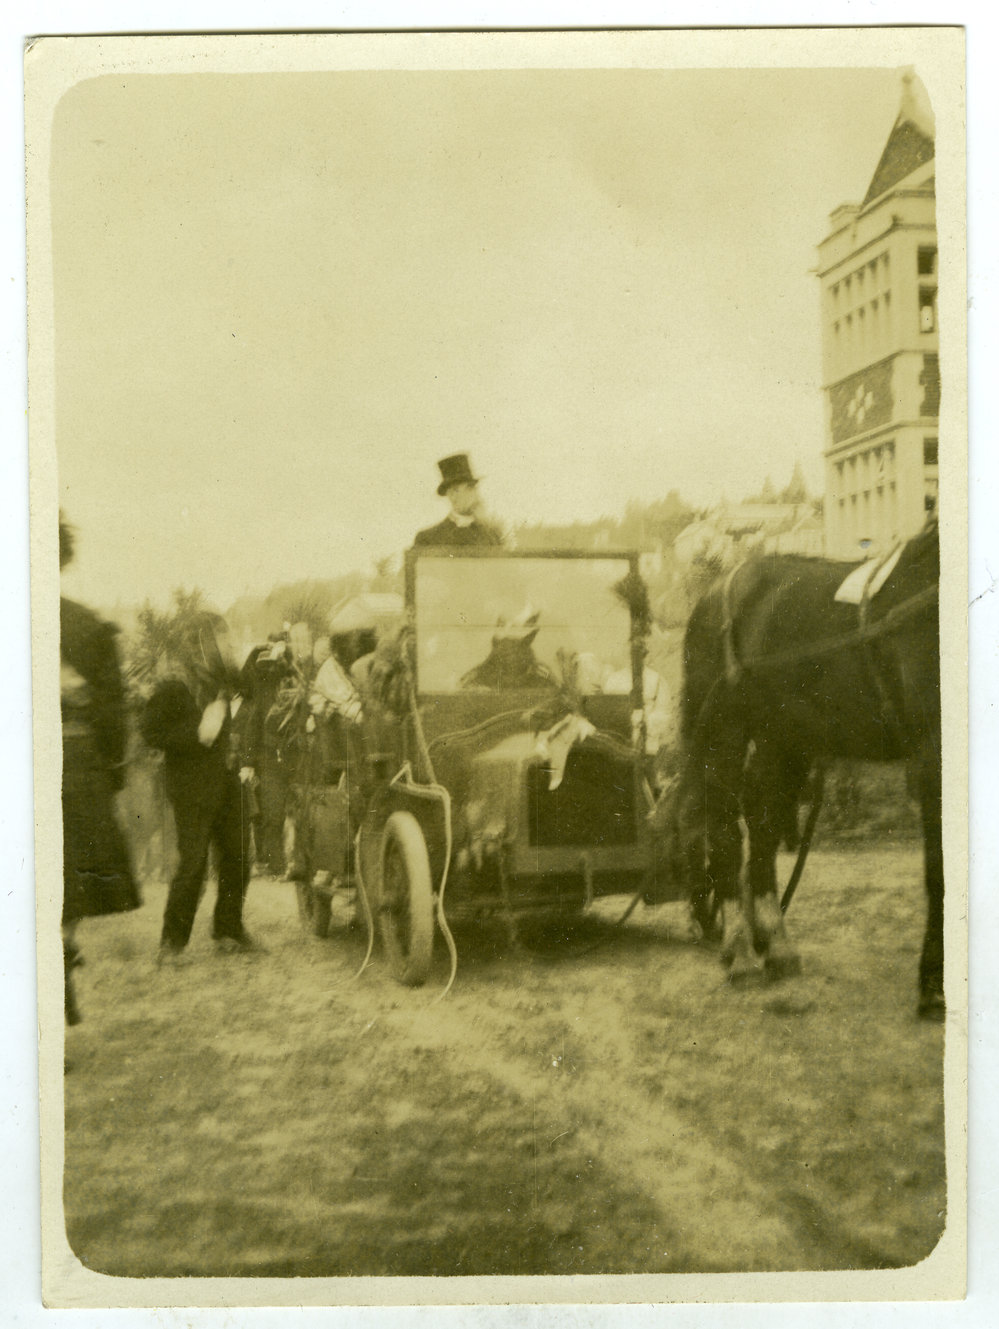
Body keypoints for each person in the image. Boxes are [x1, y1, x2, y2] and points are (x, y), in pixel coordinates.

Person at [140, 613, 260, 961]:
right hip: (191, 788)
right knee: (193, 865)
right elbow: (150, 731)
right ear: (205, 642)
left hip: (225, 781)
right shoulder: (174, 684)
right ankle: (172, 944)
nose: (230, 644)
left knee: (238, 857)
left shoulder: (221, 677)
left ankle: (228, 931)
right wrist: (197, 733)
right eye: (224, 639)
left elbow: (251, 686)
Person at [60, 516, 142, 1026]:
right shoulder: (87, 626)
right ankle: (56, 979)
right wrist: (110, 772)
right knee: (64, 890)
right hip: (74, 770)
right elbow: (114, 713)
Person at [413, 453, 504, 548]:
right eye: (469, 488)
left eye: (475, 488)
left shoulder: (492, 537)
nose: (475, 494)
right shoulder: (428, 539)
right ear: (452, 495)